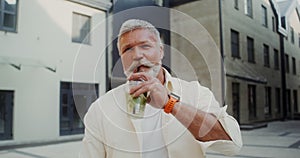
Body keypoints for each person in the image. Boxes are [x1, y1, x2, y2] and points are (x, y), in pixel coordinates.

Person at [79, 19, 242, 158]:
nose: (136, 55)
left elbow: (231, 145)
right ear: (121, 58)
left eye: (145, 46)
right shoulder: (100, 109)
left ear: (161, 51)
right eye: (127, 49)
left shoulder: (195, 93)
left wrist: (170, 104)